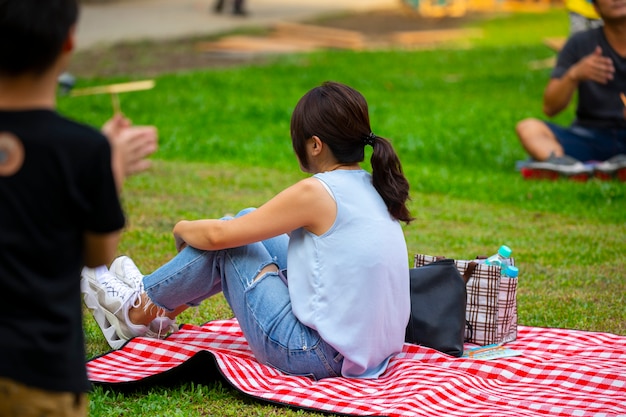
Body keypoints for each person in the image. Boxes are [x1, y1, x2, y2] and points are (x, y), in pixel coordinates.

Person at [82, 81, 413, 380]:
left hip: (315, 354)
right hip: (365, 352)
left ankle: (136, 310)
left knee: (229, 241)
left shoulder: (319, 191)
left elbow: (218, 238)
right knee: (248, 218)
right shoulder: (374, 185)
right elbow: (246, 226)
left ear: (315, 145)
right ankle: (156, 310)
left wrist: (181, 227)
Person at [0, 0, 157, 416]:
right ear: (68, 41)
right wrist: (110, 170)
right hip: (41, 373)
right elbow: (99, 254)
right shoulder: (82, 150)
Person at [515, 0, 626, 180]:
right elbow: (550, 108)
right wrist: (574, 74)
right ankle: (568, 166)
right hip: (589, 136)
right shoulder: (580, 43)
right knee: (528, 128)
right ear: (595, 7)